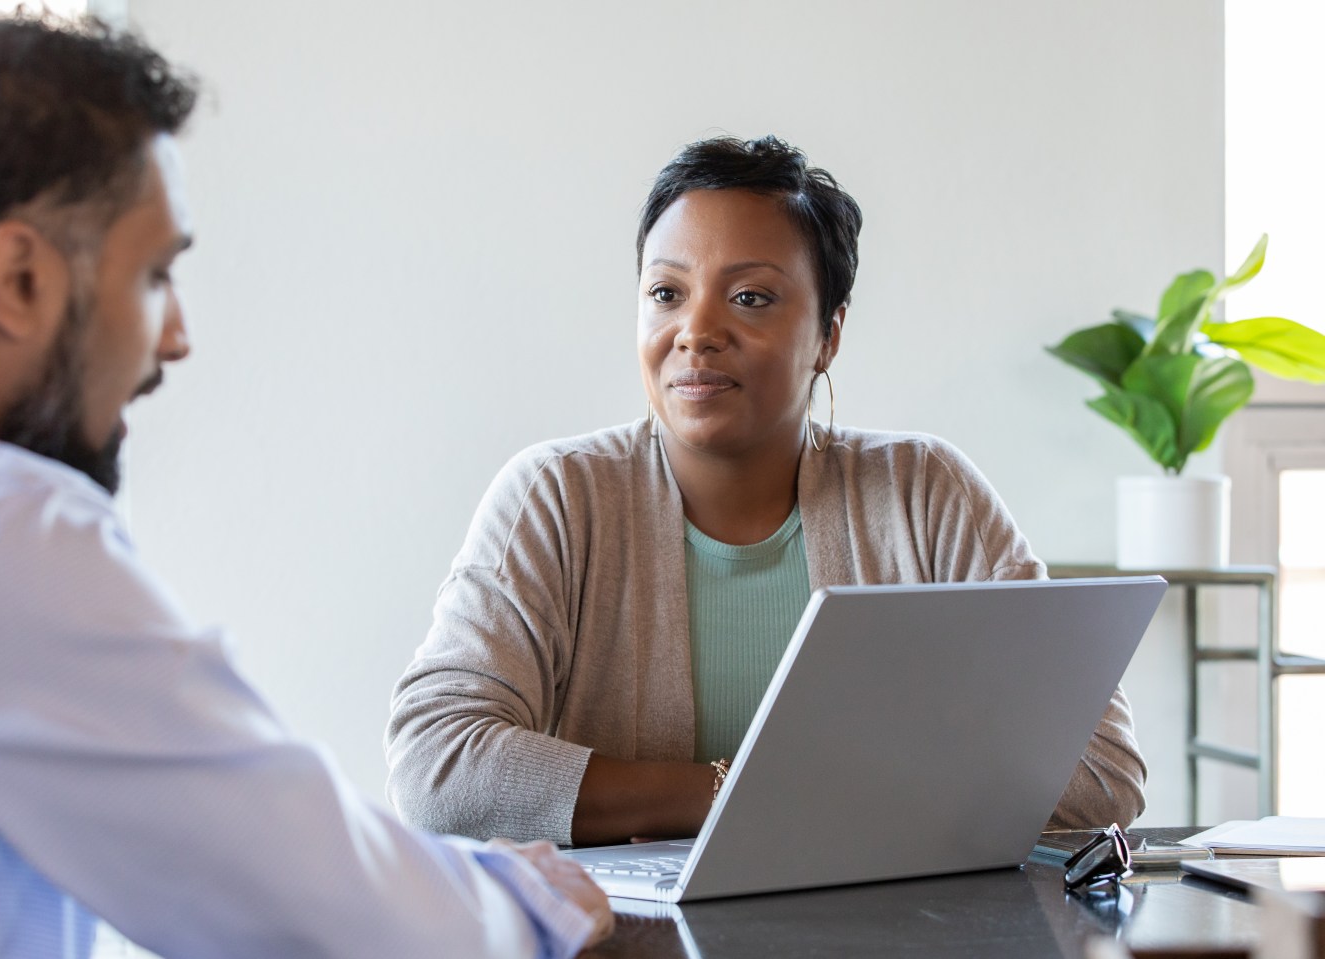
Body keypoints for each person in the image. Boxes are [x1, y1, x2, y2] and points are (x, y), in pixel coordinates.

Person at [0, 14, 612, 958]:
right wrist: (529, 898)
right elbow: (328, 912)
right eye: (154, 276)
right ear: (19, 278)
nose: (176, 335)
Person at [385, 135, 1148, 847]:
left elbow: (1102, 771)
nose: (696, 329)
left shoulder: (923, 493)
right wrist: (738, 794)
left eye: (750, 297)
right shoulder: (557, 496)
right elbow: (437, 766)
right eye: (666, 293)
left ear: (828, 334)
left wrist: (814, 802)